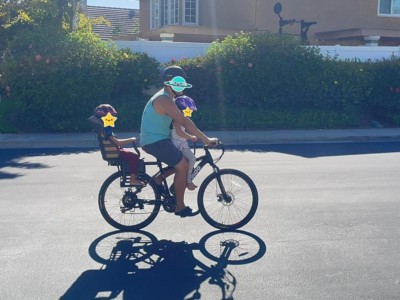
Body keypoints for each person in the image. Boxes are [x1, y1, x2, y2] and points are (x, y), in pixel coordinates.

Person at [140, 66, 218, 218]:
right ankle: (179, 206)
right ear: (169, 83)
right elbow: (184, 121)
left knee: (185, 161)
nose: (182, 86)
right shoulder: (163, 99)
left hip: (160, 139)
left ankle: (158, 178)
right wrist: (206, 140)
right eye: (179, 83)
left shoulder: (168, 98)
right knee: (182, 165)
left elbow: (184, 121)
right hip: (155, 141)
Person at [92, 104, 143, 186]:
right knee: (134, 157)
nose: (112, 118)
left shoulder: (104, 129)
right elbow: (118, 143)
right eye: (110, 116)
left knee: (133, 156)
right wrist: (131, 139)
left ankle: (134, 176)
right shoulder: (106, 130)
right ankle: (133, 180)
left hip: (115, 151)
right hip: (116, 152)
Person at [171, 95, 199, 191]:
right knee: (191, 159)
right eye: (188, 110)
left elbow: (191, 127)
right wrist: (191, 137)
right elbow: (179, 132)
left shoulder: (183, 118)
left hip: (182, 144)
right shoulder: (176, 119)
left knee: (188, 161)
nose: (190, 112)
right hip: (178, 145)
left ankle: (182, 181)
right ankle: (188, 181)